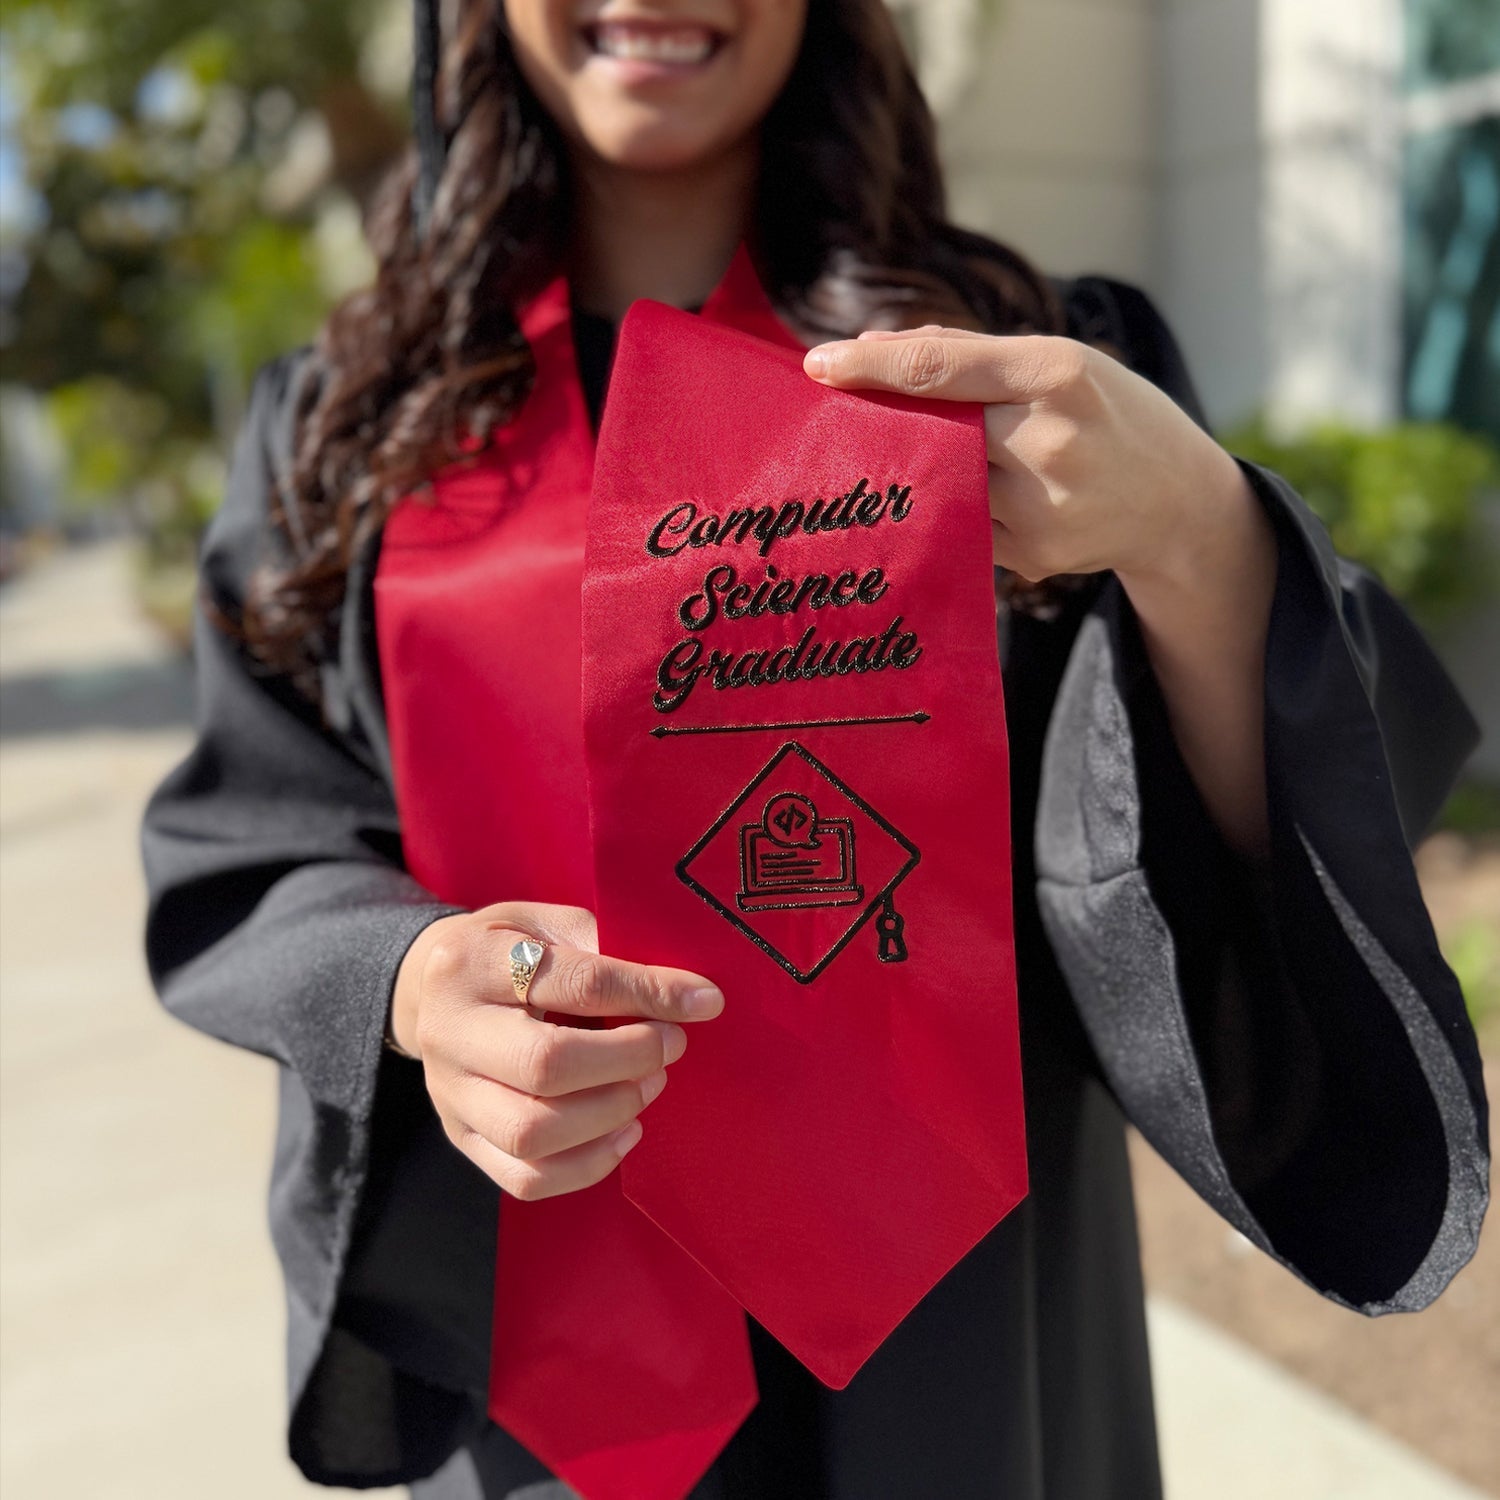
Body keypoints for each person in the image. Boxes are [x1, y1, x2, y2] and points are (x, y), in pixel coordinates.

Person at [139, 3, 1490, 1497]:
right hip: (542, 1334)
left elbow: (1210, 841)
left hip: (961, 1335)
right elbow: (252, 840)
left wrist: (1197, 532)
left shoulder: (1015, 369)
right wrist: (408, 984)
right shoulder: (354, 428)